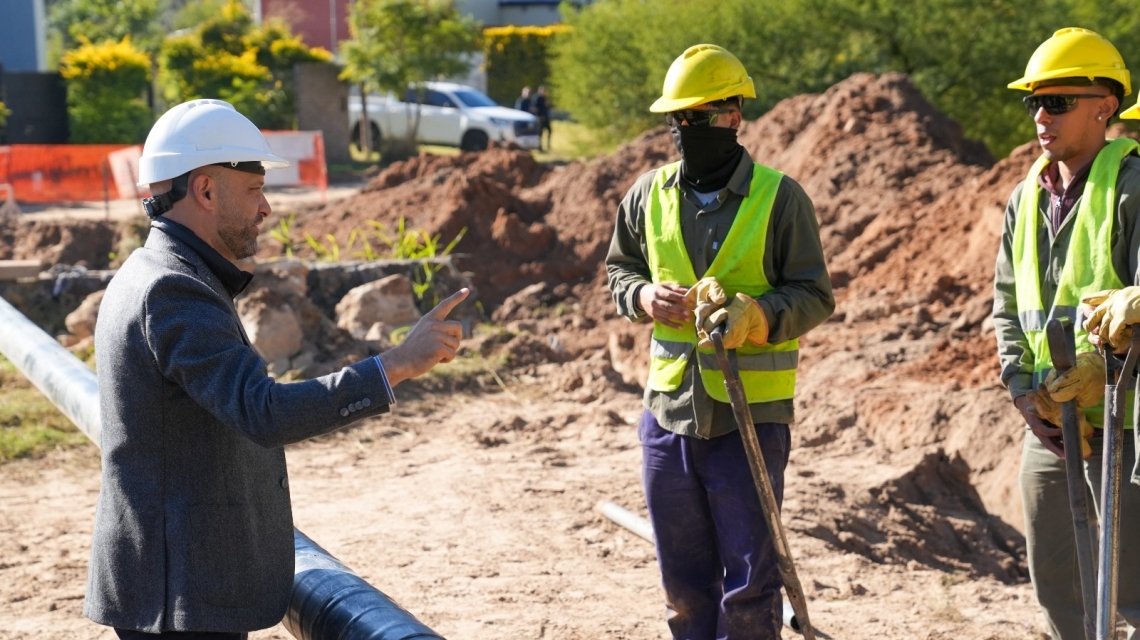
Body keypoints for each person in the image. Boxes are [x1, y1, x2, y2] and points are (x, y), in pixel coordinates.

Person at [83, 99, 467, 639]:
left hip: (175, 588)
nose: (266, 208)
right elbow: (264, 411)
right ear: (206, 190)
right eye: (255, 189)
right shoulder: (174, 289)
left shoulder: (158, 271)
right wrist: (396, 365)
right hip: (179, 598)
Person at [605, 44, 833, 638]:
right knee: (683, 587)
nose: (687, 130)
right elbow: (620, 271)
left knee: (751, 589)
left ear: (736, 115)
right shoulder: (646, 196)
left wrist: (756, 316)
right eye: (678, 118)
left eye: (700, 117)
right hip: (670, 415)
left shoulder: (781, 199)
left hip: (749, 421)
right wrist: (644, 297)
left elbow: (814, 293)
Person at [993, 27, 1140, 640]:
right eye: (1034, 102)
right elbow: (1007, 308)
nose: (1040, 116)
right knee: (1057, 586)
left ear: (1104, 105)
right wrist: (1025, 394)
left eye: (1057, 102)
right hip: (1051, 420)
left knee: (1131, 592)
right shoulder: (1025, 198)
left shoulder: (1131, 185)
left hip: (1124, 420)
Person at [533, 85, 552, 151]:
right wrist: (539, 116)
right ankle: (539, 146)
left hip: (546, 117)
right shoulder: (537, 98)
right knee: (540, 133)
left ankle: (548, 145)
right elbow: (535, 109)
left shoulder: (545, 98)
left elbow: (547, 107)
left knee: (549, 131)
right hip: (540, 118)